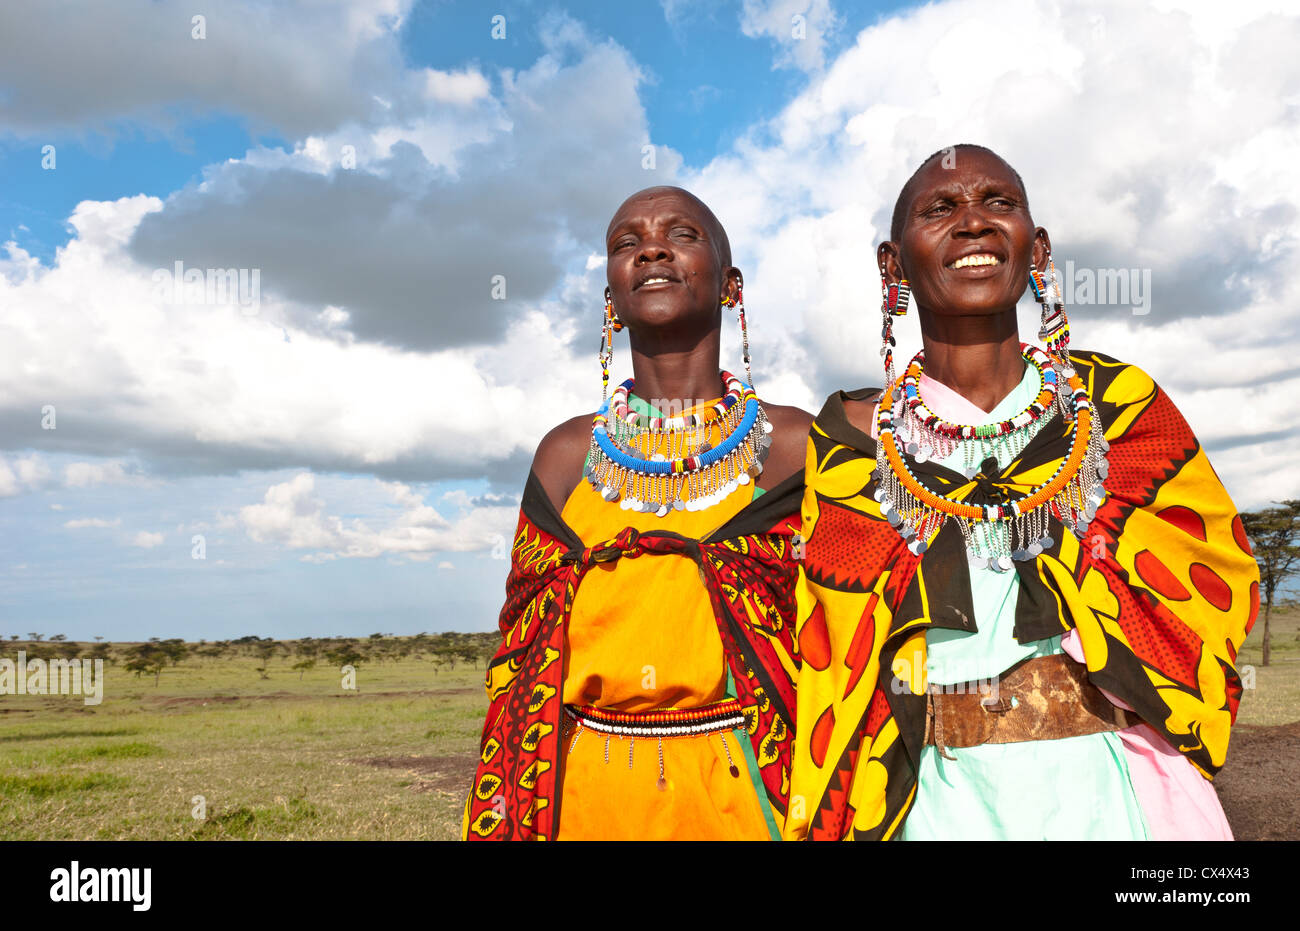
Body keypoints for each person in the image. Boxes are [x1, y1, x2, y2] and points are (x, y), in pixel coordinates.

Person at [784, 145, 1259, 841]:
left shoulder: (1117, 410)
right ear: (894, 265)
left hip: (1114, 787)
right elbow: (831, 645)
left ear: (1035, 247)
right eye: (941, 208)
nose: (973, 221)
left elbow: (1214, 576)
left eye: (998, 202)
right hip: (931, 797)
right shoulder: (852, 443)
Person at [463, 186, 813, 840]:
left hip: (750, 789)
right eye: (627, 242)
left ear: (731, 285)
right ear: (611, 299)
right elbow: (521, 654)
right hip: (584, 792)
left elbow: (845, 637)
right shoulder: (567, 456)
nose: (651, 246)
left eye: (682, 234)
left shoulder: (792, 445)